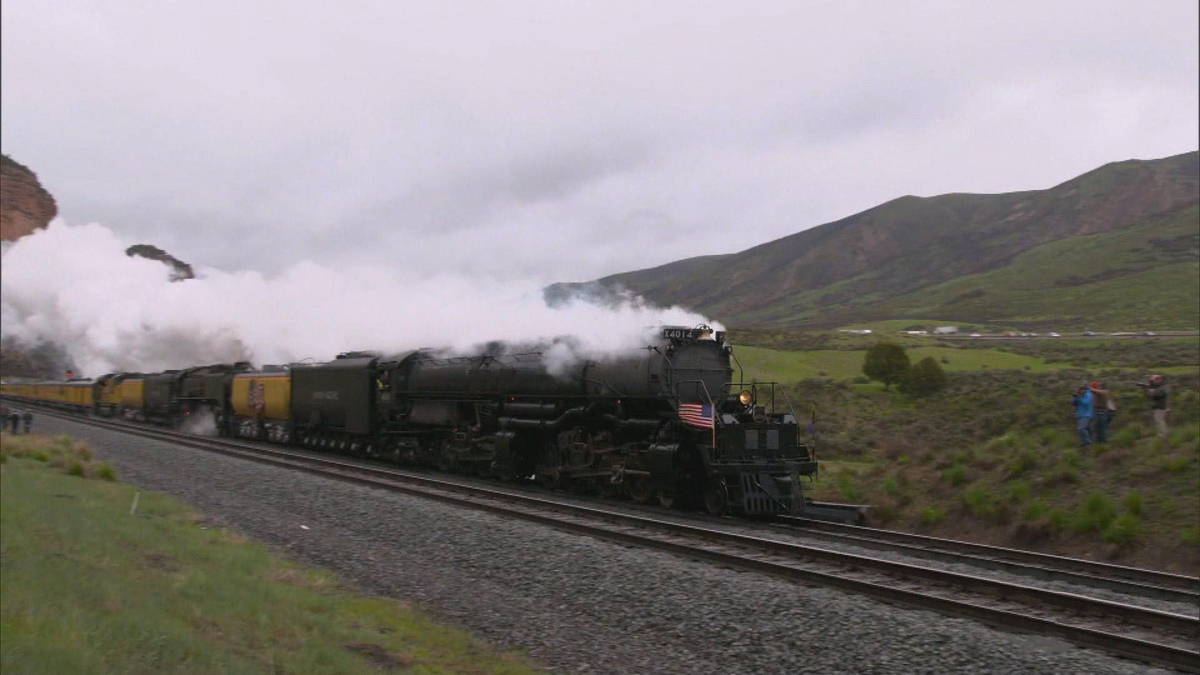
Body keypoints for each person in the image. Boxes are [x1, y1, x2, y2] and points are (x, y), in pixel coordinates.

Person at [1145, 374, 1170, 440]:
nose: (1154, 382)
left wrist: (1151, 391)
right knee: (1158, 420)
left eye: (1154, 380)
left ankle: (1164, 435)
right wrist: (1150, 389)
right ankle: (1161, 435)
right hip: (1158, 406)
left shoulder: (1163, 387)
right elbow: (1151, 395)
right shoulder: (1159, 386)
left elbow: (1157, 395)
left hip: (1161, 406)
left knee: (1160, 421)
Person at [1071, 382, 1094, 448]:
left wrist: (1079, 397)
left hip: (1086, 415)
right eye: (1079, 389)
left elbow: (1086, 402)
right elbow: (1073, 403)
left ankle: (1088, 443)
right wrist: (1074, 397)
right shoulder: (1079, 395)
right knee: (1085, 429)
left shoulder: (1089, 394)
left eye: (1081, 389)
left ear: (1084, 389)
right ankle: (1085, 443)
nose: (1080, 391)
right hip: (1080, 415)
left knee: (1081, 429)